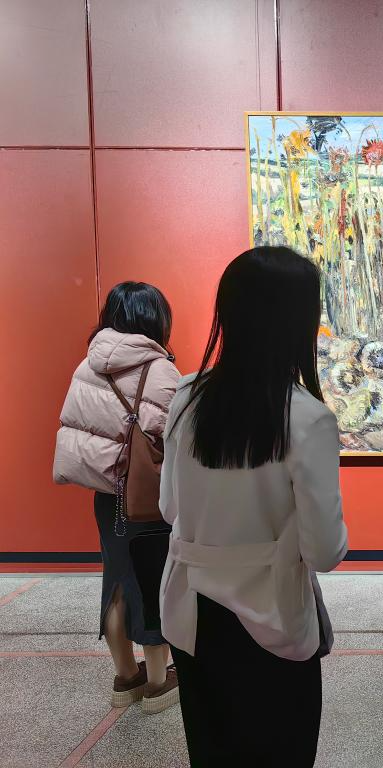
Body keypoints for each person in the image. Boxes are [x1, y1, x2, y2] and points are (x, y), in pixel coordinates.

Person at [159, 246, 348, 766]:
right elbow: (326, 551)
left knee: (212, 751)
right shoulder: (307, 418)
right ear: (298, 322)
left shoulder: (186, 398)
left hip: (192, 615)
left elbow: (169, 507)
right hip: (272, 619)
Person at [53, 282, 181, 713]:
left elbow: (80, 427)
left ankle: (126, 677)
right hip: (146, 496)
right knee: (154, 580)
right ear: (155, 318)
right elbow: (171, 437)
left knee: (118, 579)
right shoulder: (160, 369)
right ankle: (158, 683)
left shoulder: (87, 365)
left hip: (108, 496)